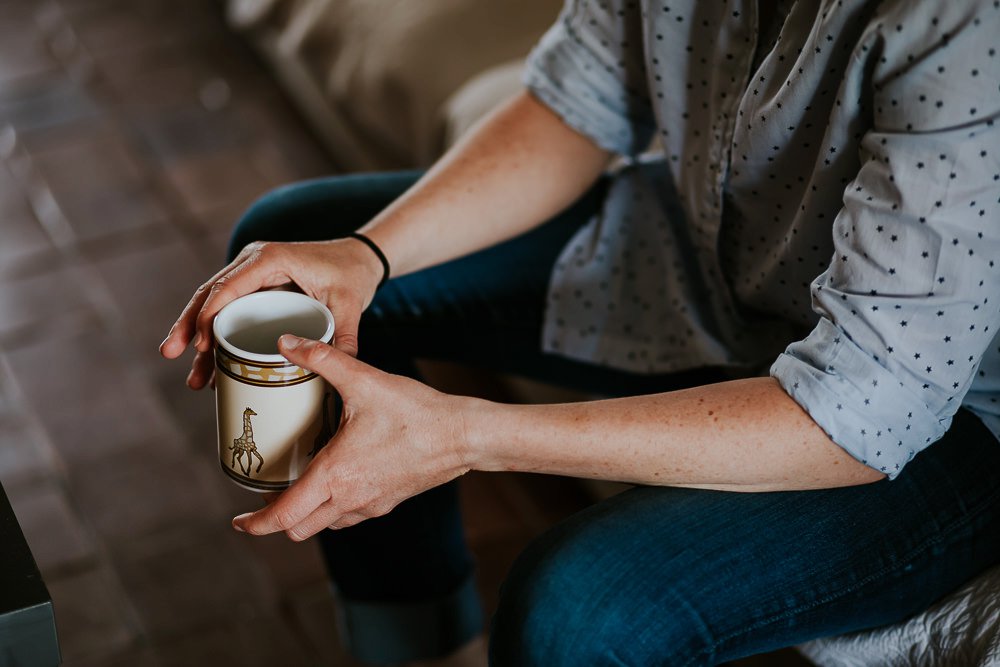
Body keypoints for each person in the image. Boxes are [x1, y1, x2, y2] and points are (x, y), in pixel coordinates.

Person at [160, 0, 1000, 664]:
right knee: (295, 241)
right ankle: (425, 649)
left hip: (933, 420)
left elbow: (865, 405)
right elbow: (581, 95)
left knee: (577, 609)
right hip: (716, 271)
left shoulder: (963, 24)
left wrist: (468, 435)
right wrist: (365, 256)